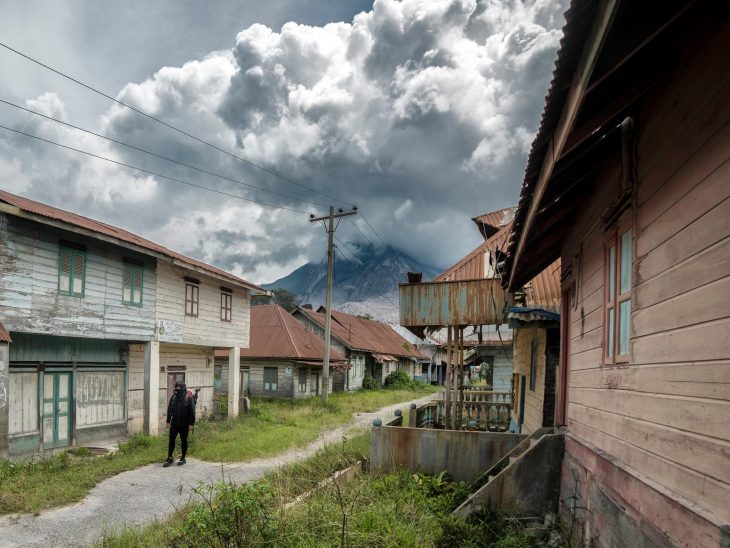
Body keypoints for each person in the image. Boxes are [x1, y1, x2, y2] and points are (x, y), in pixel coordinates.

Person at [164, 381, 196, 467]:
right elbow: (169, 409)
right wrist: (168, 421)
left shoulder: (188, 398)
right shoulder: (173, 397)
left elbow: (192, 411)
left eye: (179, 388)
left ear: (183, 388)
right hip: (174, 422)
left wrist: (191, 424)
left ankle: (183, 458)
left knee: (184, 440)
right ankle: (170, 457)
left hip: (184, 423)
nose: (177, 390)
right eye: (176, 388)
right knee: (171, 440)